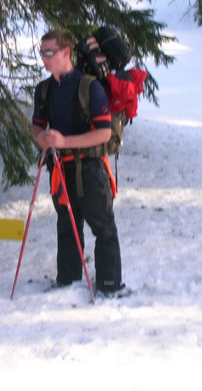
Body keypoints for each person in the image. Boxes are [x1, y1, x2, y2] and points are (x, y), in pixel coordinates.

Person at [32, 29, 125, 296]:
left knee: (103, 226)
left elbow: (104, 132)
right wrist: (43, 139)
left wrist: (63, 142)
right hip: (60, 169)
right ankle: (68, 281)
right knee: (67, 226)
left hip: (91, 168)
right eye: (42, 52)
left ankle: (110, 286)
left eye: (50, 52)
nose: (45, 58)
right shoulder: (44, 89)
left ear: (66, 52)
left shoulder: (89, 87)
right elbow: (36, 126)